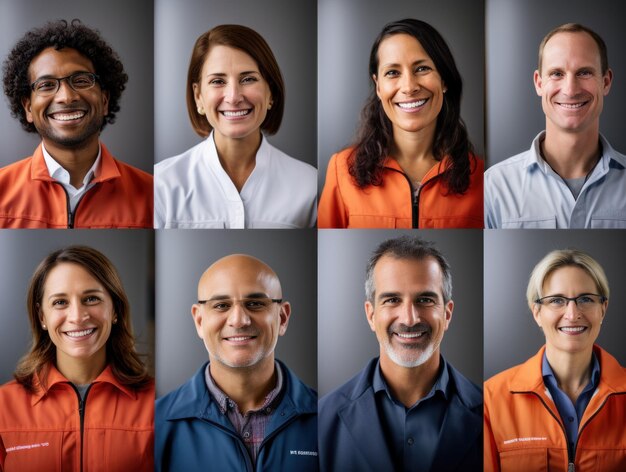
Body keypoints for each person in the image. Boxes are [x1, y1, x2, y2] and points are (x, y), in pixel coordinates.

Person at [318, 236, 482, 471]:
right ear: (371, 315)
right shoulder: (323, 419)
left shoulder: (490, 415)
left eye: (425, 299)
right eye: (392, 300)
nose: (409, 318)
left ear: (447, 314)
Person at [155, 254, 317, 471]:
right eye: (221, 305)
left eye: (255, 303)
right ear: (199, 321)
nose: (239, 320)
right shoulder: (154, 425)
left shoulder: (328, 418)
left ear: (283, 318)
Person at [318, 18, 483, 229]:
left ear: (444, 80)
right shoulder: (342, 169)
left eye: (422, 69)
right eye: (393, 72)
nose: (408, 87)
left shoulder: (482, 177)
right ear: (378, 87)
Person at [0, 246, 154, 471]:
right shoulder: (4, 406)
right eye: (60, 302)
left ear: (115, 310)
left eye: (91, 298)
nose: (77, 317)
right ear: (42, 316)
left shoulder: (156, 404)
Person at [154, 24, 317, 229]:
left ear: (271, 93)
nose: (233, 97)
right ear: (198, 96)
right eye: (218, 81)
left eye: (248, 79)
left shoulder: (310, 185)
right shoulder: (161, 184)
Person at [0, 20, 153, 228]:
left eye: (81, 80)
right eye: (46, 85)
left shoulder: (154, 194)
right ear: (28, 108)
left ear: (105, 100)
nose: (66, 97)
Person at [484, 249, 626, 471]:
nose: (572, 314)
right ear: (537, 313)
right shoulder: (491, 399)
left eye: (586, 299)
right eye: (557, 300)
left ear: (603, 309)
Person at [485, 23, 626, 228]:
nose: (570, 90)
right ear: (539, 83)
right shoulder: (493, 187)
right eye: (557, 73)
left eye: (584, 72)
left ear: (605, 82)